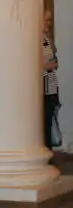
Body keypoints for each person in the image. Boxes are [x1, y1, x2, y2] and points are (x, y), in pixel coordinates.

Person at [43, 10, 61, 151]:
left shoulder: (45, 38)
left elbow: (53, 58)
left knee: (49, 121)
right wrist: (45, 66)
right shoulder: (34, 38)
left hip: (50, 85)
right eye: (47, 20)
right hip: (42, 86)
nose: (49, 23)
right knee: (44, 123)